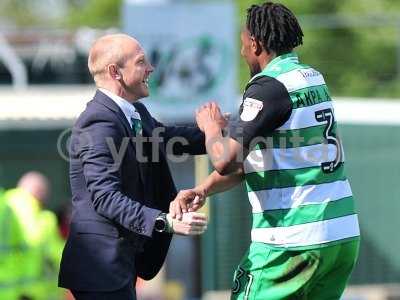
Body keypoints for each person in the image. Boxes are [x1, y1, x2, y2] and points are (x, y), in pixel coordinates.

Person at [172, 2, 360, 299]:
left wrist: (210, 126)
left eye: (243, 44)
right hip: (341, 236)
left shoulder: (268, 87)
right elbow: (263, 161)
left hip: (292, 241)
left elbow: (224, 160)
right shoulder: (312, 78)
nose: (243, 51)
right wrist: (204, 189)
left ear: (256, 44)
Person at [58, 34, 208, 300]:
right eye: (141, 62)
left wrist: (235, 130)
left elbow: (178, 139)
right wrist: (165, 222)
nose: (151, 68)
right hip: (100, 267)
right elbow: (105, 197)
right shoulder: (98, 122)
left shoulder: (136, 113)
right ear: (115, 72)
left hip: (116, 266)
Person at [4, 171, 64, 300]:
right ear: (40, 192)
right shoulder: (44, 219)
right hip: (29, 292)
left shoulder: (4, 204)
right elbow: (59, 256)